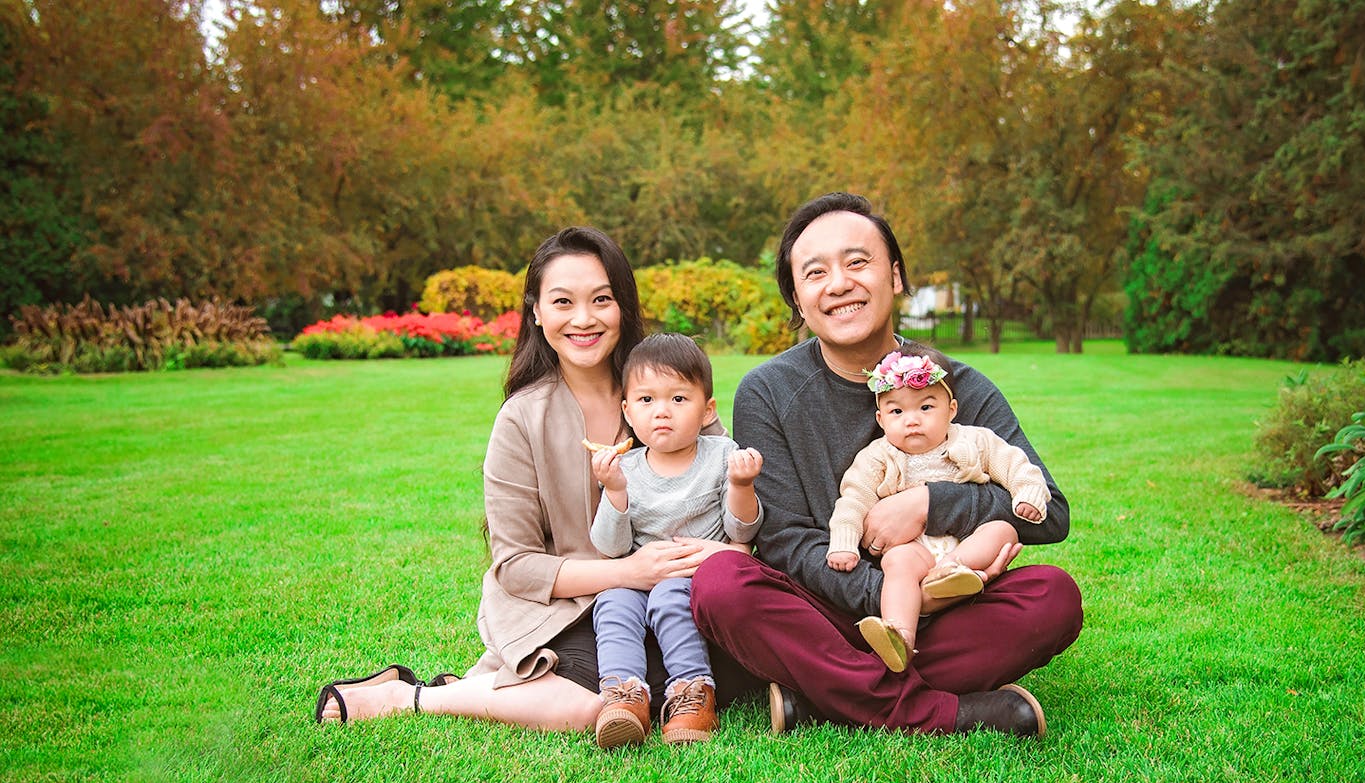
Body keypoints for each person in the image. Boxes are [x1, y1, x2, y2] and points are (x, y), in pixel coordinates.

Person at [315, 227, 756, 727]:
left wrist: (724, 554)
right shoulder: (522, 418)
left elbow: (724, 493)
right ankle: (411, 696)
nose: (584, 319)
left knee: (726, 664)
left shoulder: (670, 393)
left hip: (673, 591)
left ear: (623, 307)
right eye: (563, 301)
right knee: (590, 703)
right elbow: (517, 565)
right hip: (566, 600)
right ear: (537, 312)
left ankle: (483, 687)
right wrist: (629, 573)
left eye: (602, 300)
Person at [689, 192, 1083, 738]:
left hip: (950, 599)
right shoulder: (768, 391)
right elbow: (783, 542)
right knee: (721, 582)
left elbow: (1051, 512)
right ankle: (939, 711)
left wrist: (929, 504)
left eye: (857, 262)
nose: (839, 284)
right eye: (816, 273)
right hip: (822, 610)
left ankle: (823, 695)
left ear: (895, 277)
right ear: (799, 301)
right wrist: (893, 597)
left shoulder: (956, 385)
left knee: (1052, 597)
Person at [827, 340, 1051, 673]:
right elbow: (853, 500)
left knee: (1002, 529)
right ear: (881, 418)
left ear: (952, 409)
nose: (912, 421)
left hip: (965, 546)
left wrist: (1027, 493)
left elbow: (1014, 464)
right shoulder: (877, 457)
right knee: (898, 564)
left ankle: (951, 573)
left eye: (926, 408)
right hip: (913, 548)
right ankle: (899, 636)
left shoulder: (975, 441)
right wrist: (844, 543)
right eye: (897, 411)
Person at [588, 333, 764, 749]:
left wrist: (741, 485)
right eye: (647, 400)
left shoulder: (722, 455)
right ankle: (624, 694)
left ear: (707, 411)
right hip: (639, 574)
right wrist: (614, 492)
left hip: (694, 574)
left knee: (670, 597)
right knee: (612, 600)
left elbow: (743, 533)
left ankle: (692, 692)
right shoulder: (624, 467)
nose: (662, 412)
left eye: (679, 399)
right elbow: (611, 548)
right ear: (628, 411)